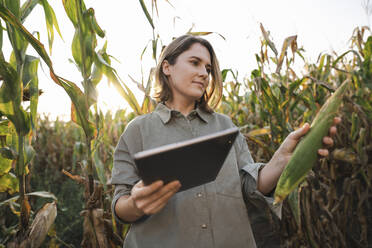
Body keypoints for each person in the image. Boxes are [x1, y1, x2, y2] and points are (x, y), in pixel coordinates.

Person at [110, 35, 340, 248]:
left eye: (208, 68)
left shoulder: (225, 126)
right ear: (167, 67)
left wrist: (282, 160)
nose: (204, 73)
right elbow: (120, 206)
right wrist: (135, 204)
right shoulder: (137, 131)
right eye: (194, 62)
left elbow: (248, 186)